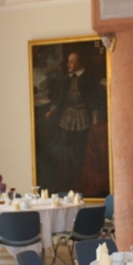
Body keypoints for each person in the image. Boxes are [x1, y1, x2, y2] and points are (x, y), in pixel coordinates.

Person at [46, 52, 101, 191]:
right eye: (68, 62)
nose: (68, 65)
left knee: (80, 150)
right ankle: (65, 180)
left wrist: (95, 114)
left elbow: (94, 98)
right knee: (65, 149)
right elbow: (60, 99)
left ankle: (79, 181)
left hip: (82, 117)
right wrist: (52, 111)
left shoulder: (87, 79)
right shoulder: (66, 79)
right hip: (67, 116)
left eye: (72, 62)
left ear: (79, 63)